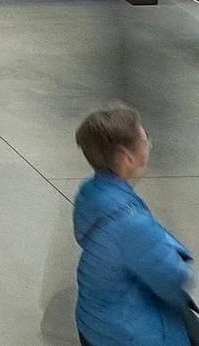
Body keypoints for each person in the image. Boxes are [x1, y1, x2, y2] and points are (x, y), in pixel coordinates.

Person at [74, 104, 195, 346]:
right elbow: (173, 278)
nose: (149, 142)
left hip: (91, 321)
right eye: (144, 138)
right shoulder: (133, 223)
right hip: (125, 334)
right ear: (126, 158)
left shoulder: (89, 194)